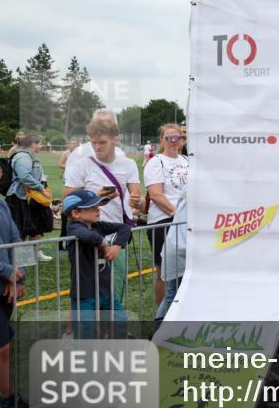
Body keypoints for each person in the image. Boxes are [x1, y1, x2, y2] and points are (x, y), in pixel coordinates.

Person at [64, 116, 141, 304]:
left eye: (102, 142)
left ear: (116, 139)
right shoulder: (81, 165)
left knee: (114, 284)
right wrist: (94, 196)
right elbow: (66, 200)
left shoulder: (128, 165)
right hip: (86, 234)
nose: (97, 147)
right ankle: (73, 331)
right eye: (93, 143)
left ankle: (109, 330)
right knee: (83, 288)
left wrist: (137, 201)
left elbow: (138, 199)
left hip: (114, 232)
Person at [63, 189, 132, 337]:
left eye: (98, 206)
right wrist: (103, 242)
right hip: (84, 292)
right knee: (85, 332)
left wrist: (117, 245)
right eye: (93, 208)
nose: (98, 210)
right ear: (76, 213)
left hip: (105, 290)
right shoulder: (74, 227)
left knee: (120, 321)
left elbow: (125, 227)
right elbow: (85, 236)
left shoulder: (97, 226)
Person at [0, 153, 28, 408]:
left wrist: (19, 274)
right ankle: (8, 397)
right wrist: (8, 271)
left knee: (3, 344)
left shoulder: (1, 205)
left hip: (3, 289)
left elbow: (17, 241)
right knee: (1, 346)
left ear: (1, 175)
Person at [143, 124, 189, 307]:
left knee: (185, 271)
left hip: (186, 222)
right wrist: (178, 214)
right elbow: (156, 195)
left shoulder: (187, 160)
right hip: (164, 222)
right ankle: (162, 317)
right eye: (168, 137)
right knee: (164, 273)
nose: (173, 141)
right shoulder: (156, 161)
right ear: (161, 140)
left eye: (176, 137)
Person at [5, 133, 54, 262]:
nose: (41, 146)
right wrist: (41, 188)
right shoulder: (23, 157)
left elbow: (30, 175)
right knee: (20, 228)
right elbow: (24, 177)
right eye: (40, 143)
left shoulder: (30, 156)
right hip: (20, 197)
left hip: (29, 197)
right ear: (33, 144)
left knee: (35, 226)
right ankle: (20, 256)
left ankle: (36, 253)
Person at [155, 198, 187, 325]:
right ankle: (160, 329)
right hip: (180, 248)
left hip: (179, 247)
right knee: (173, 293)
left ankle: (159, 328)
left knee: (172, 293)